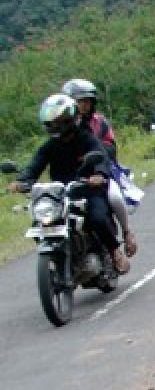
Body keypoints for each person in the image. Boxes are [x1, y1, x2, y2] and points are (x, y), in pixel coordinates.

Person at [7, 94, 129, 274]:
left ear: (70, 119)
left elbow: (100, 156)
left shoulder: (86, 138)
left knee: (97, 218)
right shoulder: (50, 145)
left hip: (89, 188)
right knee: (39, 224)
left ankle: (114, 251)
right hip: (62, 192)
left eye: (60, 121)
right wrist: (22, 181)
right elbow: (35, 164)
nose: (55, 125)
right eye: (52, 122)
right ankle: (59, 257)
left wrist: (99, 174)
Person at [62, 78, 139, 257]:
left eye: (86, 101)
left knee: (114, 197)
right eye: (78, 101)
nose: (83, 106)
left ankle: (126, 232)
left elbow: (111, 147)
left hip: (101, 171)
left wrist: (93, 153)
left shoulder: (99, 122)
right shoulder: (62, 125)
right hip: (73, 175)